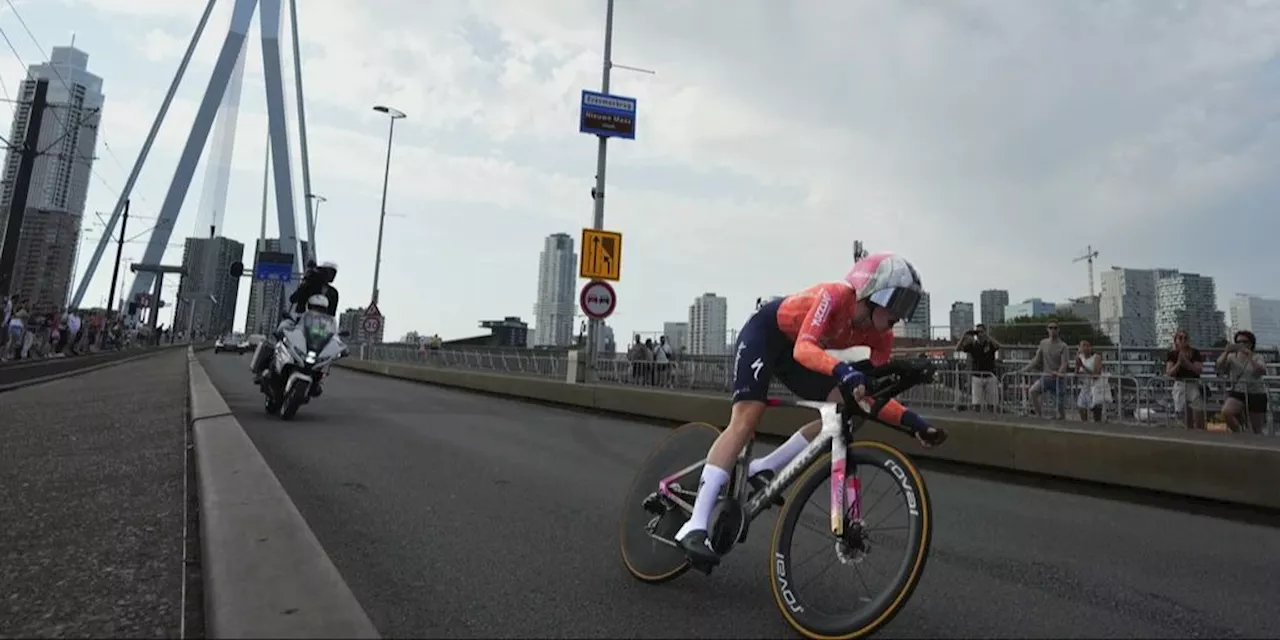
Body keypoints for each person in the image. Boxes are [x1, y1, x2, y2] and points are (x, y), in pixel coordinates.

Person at [674, 252, 947, 569]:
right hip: (767, 335)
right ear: (874, 292)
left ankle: (765, 466)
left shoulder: (881, 335)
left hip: (797, 356)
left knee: (851, 410)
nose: (901, 315)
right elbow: (806, 348)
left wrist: (914, 424)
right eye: (898, 302)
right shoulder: (834, 295)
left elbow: (870, 396)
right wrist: (844, 371)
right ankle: (694, 524)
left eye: (908, 306)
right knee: (747, 418)